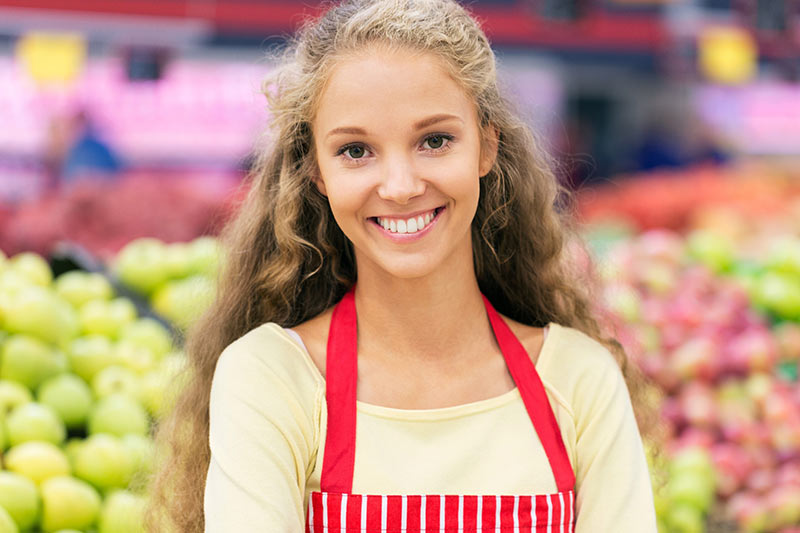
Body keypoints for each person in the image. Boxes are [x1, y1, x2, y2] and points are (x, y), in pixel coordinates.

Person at [146, 1, 658, 531]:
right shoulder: (272, 378)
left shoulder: (579, 380)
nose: (400, 186)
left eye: (434, 141)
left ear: (486, 146)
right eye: (355, 150)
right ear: (315, 171)